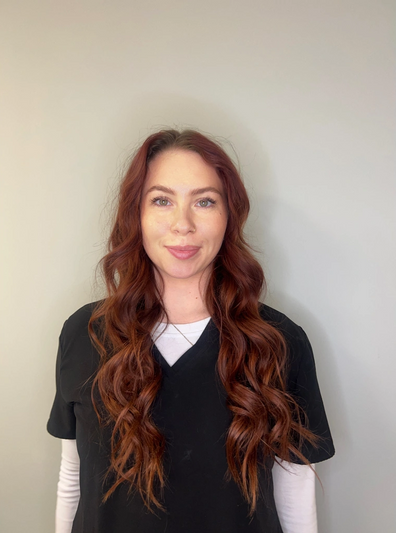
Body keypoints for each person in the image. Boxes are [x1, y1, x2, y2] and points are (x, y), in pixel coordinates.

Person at [47, 129, 335, 533]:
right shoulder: (84, 333)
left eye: (204, 201)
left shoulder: (279, 341)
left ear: (229, 215)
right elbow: (73, 478)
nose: (182, 225)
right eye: (161, 200)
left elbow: (295, 492)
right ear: (136, 214)